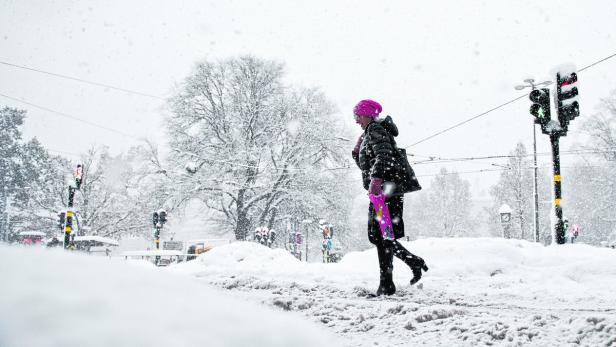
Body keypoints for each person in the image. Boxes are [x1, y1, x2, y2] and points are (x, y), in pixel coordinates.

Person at [351, 99, 428, 296]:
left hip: (386, 192)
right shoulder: (371, 132)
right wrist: (356, 150)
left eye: (358, 116)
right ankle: (411, 263)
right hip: (383, 193)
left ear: (368, 114)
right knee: (379, 236)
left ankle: (387, 285)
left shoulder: (376, 129)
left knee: (381, 236)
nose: (356, 120)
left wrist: (376, 180)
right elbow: (369, 160)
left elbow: (383, 157)